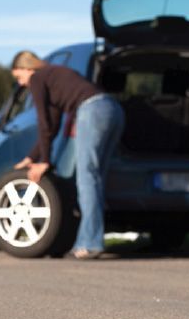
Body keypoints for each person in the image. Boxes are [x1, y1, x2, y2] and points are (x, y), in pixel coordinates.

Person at [11, 50, 125, 259]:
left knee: (87, 178)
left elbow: (43, 122)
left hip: (92, 111)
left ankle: (90, 244)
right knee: (96, 179)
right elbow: (52, 126)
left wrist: (44, 161)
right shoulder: (54, 75)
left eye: (19, 77)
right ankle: (86, 241)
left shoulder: (37, 78)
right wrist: (32, 157)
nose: (21, 84)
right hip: (113, 109)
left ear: (28, 68)